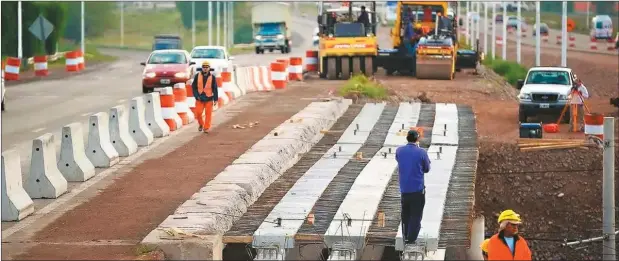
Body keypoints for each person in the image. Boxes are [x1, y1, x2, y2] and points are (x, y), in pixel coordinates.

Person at [395, 129, 431, 244]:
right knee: (416, 215)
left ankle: (405, 235)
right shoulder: (422, 152)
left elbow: (398, 160)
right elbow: (427, 169)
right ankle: (411, 239)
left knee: (405, 214)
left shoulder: (399, 151)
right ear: (417, 139)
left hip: (404, 190)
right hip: (417, 190)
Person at [191, 61, 218, 133]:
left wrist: (215, 99)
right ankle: (201, 124)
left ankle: (206, 128)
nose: (205, 69)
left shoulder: (212, 77)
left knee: (208, 114)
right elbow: (194, 87)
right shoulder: (197, 76)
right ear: (202, 68)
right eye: (204, 67)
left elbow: (215, 88)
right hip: (200, 98)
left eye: (207, 67)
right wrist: (196, 96)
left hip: (209, 98)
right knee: (198, 113)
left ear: (209, 68)